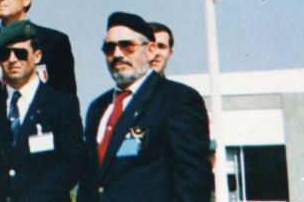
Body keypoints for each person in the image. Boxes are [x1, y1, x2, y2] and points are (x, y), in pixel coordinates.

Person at [78, 12, 212, 202]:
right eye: (109, 48)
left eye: (127, 45)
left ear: (150, 50)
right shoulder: (98, 107)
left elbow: (193, 180)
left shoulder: (177, 99)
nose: (117, 54)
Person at [0, 20, 85, 201]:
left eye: (20, 53)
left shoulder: (61, 104)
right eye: (4, 54)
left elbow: (71, 162)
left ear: (37, 56)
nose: (12, 60)